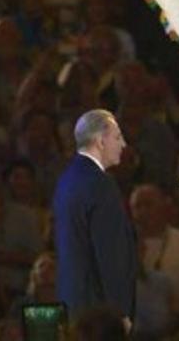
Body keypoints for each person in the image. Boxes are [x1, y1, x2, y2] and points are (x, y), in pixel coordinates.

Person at [52, 109, 136, 328]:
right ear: (100, 141)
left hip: (73, 303)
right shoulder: (101, 185)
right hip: (98, 316)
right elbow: (110, 254)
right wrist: (120, 312)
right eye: (117, 137)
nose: (124, 144)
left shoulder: (66, 180)